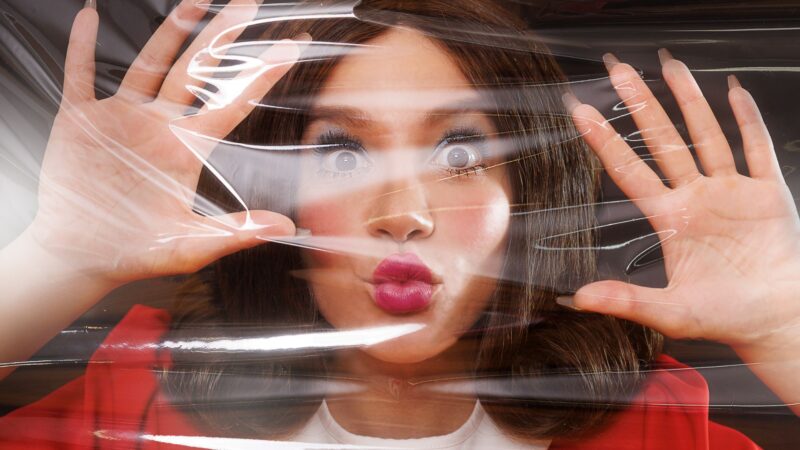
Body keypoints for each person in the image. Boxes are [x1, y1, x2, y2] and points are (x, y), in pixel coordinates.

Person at [0, 0, 798, 448]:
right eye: (342, 153)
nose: (404, 216)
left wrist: (784, 329)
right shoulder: (138, 400)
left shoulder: (655, 431)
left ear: (529, 195)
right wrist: (59, 257)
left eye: (461, 154)